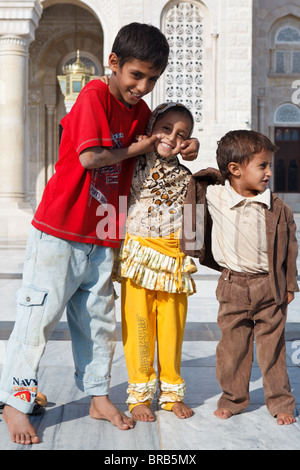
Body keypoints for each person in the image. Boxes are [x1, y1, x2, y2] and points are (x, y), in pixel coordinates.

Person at [0, 23, 199, 446]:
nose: (142, 87)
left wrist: (187, 142)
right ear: (114, 64)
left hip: (105, 231)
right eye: (136, 75)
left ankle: (96, 395)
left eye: (152, 80)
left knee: (97, 322)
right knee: (39, 316)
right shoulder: (94, 96)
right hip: (61, 228)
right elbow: (91, 157)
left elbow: (162, 141)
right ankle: (16, 403)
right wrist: (141, 148)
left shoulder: (142, 113)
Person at [181, 130, 298, 425]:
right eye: (262, 166)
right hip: (232, 285)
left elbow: (290, 248)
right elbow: (194, 185)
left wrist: (290, 284)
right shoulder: (215, 195)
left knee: (273, 348)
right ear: (234, 170)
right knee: (232, 348)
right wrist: (190, 145)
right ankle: (233, 399)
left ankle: (280, 401)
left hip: (269, 286)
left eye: (269, 166)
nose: (269, 172)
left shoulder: (277, 207)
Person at [116, 102, 197, 422]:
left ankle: (171, 392)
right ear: (150, 128)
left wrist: (191, 252)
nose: (172, 138)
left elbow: (193, 221)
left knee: (172, 327)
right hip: (138, 254)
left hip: (173, 258)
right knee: (138, 326)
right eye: (166, 128)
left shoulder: (187, 176)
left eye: (182, 135)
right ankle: (139, 395)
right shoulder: (132, 161)